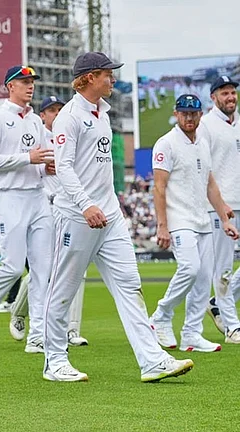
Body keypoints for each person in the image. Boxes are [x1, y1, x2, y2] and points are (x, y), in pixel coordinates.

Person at [44, 51, 194, 382]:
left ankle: (152, 360)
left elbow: (98, 169)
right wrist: (85, 204)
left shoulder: (102, 114)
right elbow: (64, 166)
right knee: (64, 290)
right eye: (107, 74)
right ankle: (54, 361)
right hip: (76, 216)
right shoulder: (69, 116)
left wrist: (110, 205)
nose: (113, 79)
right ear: (88, 78)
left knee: (130, 285)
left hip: (109, 215)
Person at [0, 65, 54, 354]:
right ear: (9, 86)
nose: (30, 86)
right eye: (24, 82)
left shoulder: (36, 122)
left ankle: (37, 336)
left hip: (38, 197)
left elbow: (42, 159)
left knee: (43, 270)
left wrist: (45, 166)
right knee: (14, 267)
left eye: (32, 82)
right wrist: (28, 158)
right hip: (10, 197)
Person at [149, 94, 238, 353]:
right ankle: (160, 316)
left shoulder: (202, 142)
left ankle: (192, 334)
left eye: (194, 113)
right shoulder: (166, 143)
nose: (189, 118)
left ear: (201, 115)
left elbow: (210, 184)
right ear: (176, 114)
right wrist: (162, 225)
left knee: (202, 279)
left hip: (202, 219)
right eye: (184, 113)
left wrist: (224, 218)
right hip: (179, 220)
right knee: (189, 269)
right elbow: (159, 187)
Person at [7, 96, 89, 347]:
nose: (56, 114)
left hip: (72, 205)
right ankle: (19, 311)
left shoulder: (71, 132)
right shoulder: (36, 135)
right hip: (46, 204)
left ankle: (71, 329)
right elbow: (24, 167)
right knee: (46, 268)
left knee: (78, 267)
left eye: (59, 110)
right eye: (51, 110)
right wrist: (43, 167)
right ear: (42, 115)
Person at [199, 76, 240, 343]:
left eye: (233, 93)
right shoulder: (205, 125)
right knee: (223, 267)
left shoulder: (238, 123)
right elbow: (203, 168)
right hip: (221, 206)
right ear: (214, 97)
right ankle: (232, 326)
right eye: (225, 93)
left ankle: (217, 303)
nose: (231, 97)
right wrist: (220, 204)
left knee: (226, 272)